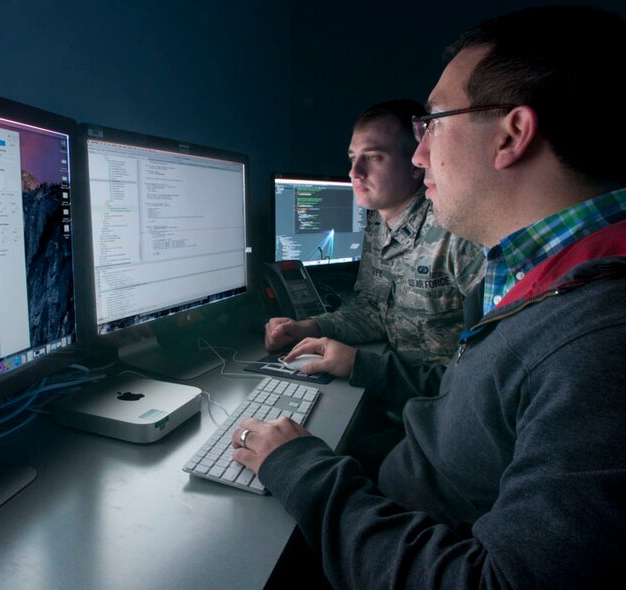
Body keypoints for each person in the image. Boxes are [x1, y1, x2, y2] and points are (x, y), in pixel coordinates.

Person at [234, 5, 626, 587]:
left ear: (512, 134)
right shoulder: (531, 279)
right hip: (398, 502)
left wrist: (303, 469)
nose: (421, 157)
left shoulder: (598, 340)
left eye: (433, 123)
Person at [265, 99, 484, 374]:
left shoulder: (456, 233)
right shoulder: (377, 223)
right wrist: (308, 327)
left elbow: (488, 369)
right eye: (352, 158)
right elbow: (373, 308)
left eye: (373, 157)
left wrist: (362, 366)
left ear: (416, 165)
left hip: (443, 404)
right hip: (399, 391)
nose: (354, 173)